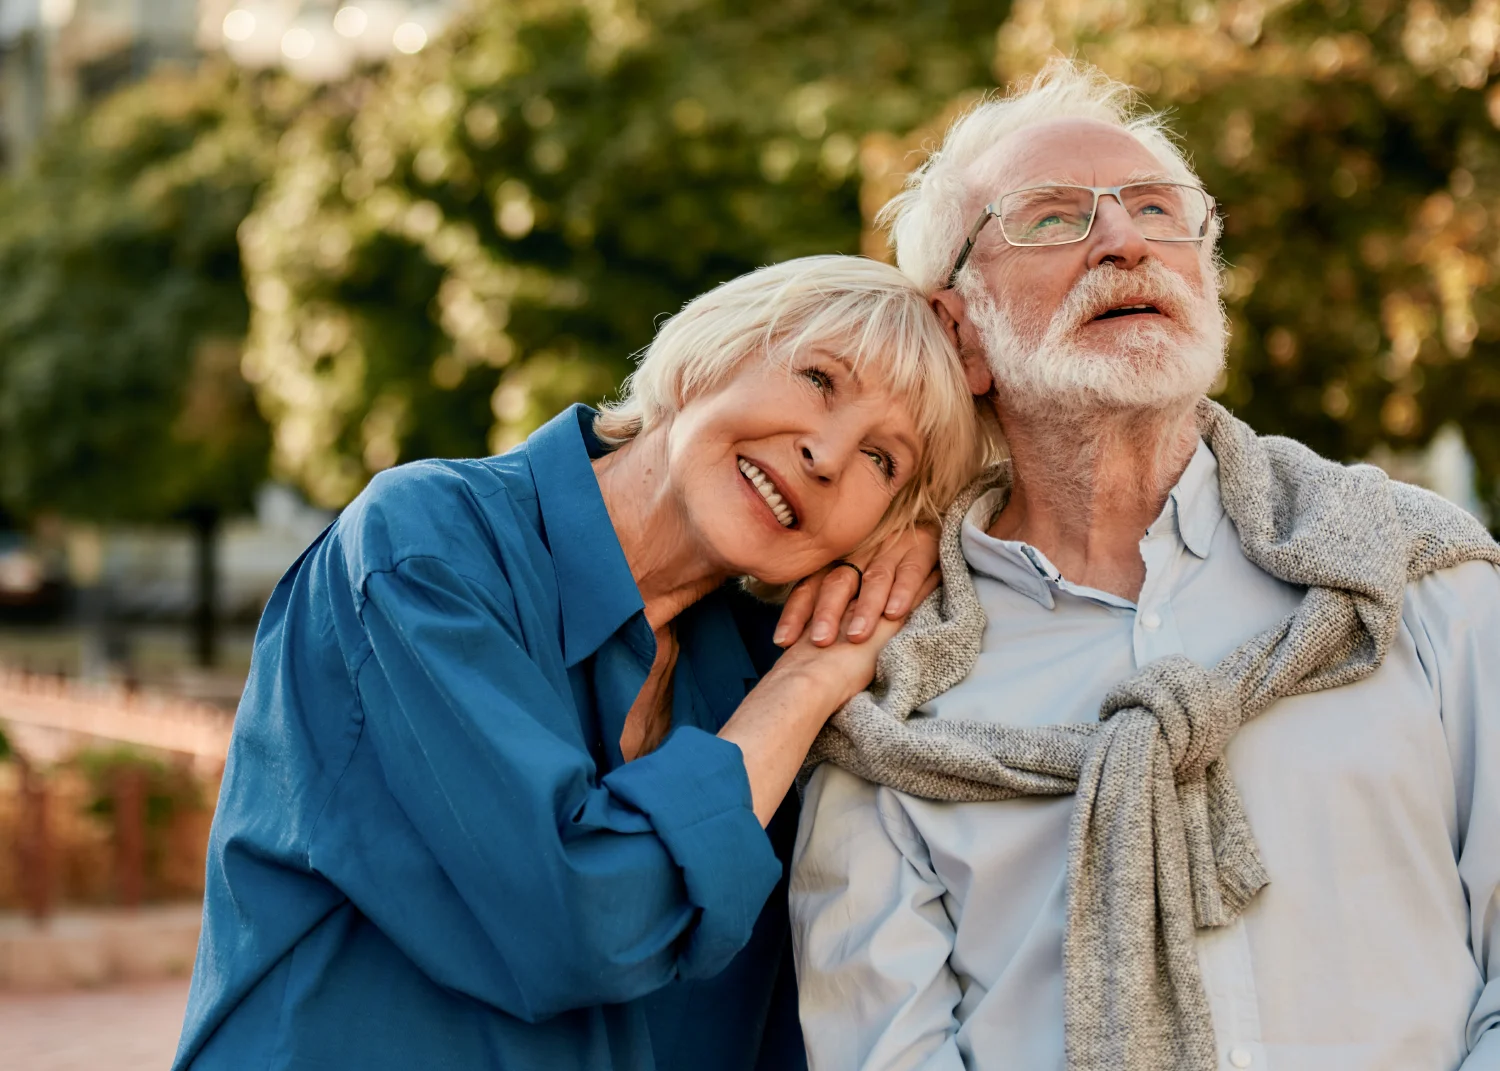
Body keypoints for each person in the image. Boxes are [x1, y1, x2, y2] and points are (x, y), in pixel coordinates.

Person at [791, 61, 1500, 1071]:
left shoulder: (1416, 574)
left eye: (1161, 212)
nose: (1124, 242)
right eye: (1051, 219)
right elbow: (884, 1047)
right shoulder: (889, 681)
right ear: (963, 334)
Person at [172, 254, 991, 1071]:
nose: (827, 453)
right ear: (713, 354)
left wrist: (929, 543)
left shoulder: (752, 659)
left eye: (884, 461)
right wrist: (809, 681)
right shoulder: (424, 550)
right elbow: (579, 919)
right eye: (820, 378)